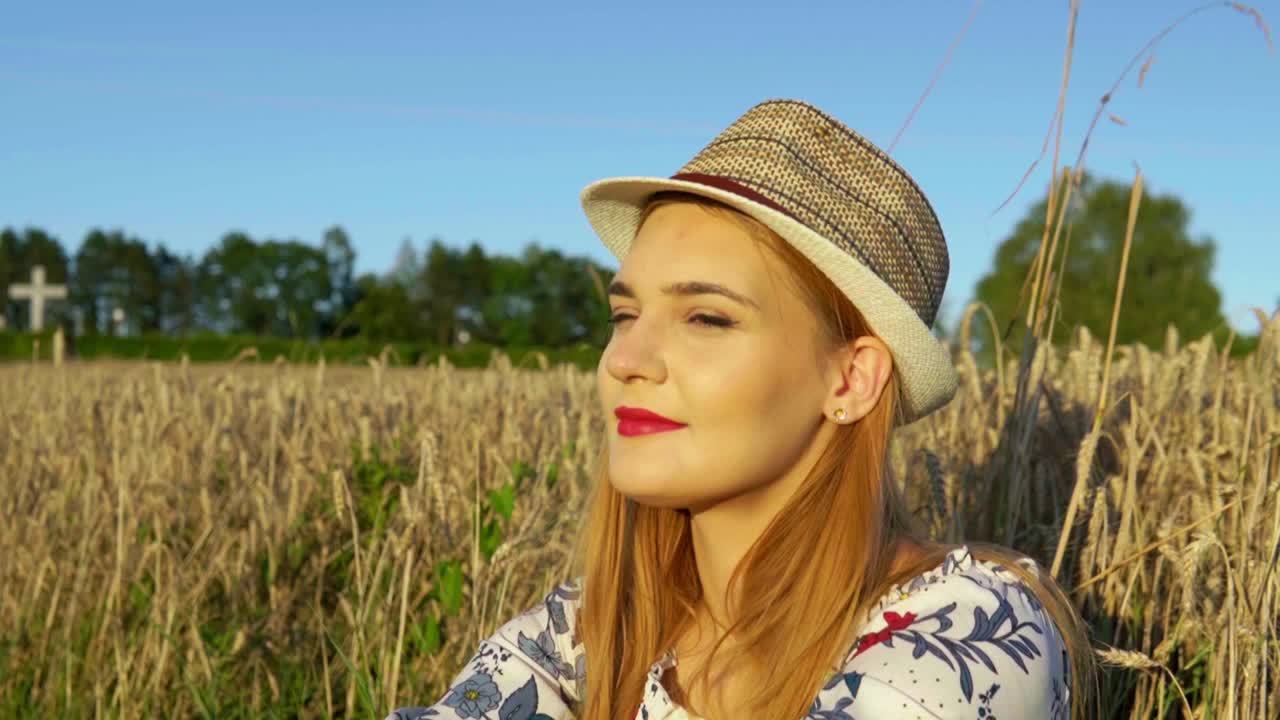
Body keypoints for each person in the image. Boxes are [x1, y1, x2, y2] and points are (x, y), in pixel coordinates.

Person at [387, 98, 1094, 720]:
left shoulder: (972, 634)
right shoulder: (591, 628)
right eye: (624, 313)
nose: (625, 359)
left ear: (851, 381)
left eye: (707, 318)